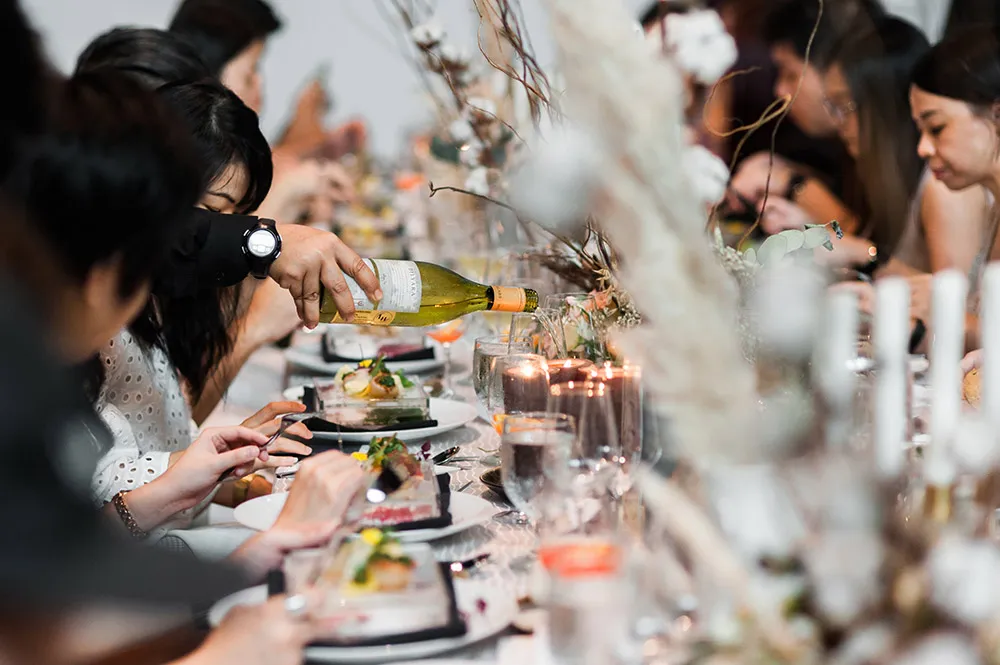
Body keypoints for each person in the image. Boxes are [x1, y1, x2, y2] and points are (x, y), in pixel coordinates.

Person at [730, 0, 886, 234]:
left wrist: (794, 184)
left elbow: (866, 247)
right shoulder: (841, 147)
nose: (780, 91)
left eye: (791, 74)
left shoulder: (892, 149)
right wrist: (788, 172)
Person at [909, 26, 1000, 351]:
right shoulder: (993, 211)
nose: (923, 148)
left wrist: (954, 318)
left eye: (936, 128)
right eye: (921, 131)